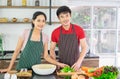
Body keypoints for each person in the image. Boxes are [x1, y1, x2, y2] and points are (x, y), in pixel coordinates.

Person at [45, 6, 87, 71]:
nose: (65, 19)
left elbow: (84, 47)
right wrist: (57, 63)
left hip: (76, 66)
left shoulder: (79, 30)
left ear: (70, 16)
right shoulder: (55, 32)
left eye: (67, 16)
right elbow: (52, 49)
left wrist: (79, 62)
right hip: (62, 67)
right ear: (59, 18)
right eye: (62, 17)